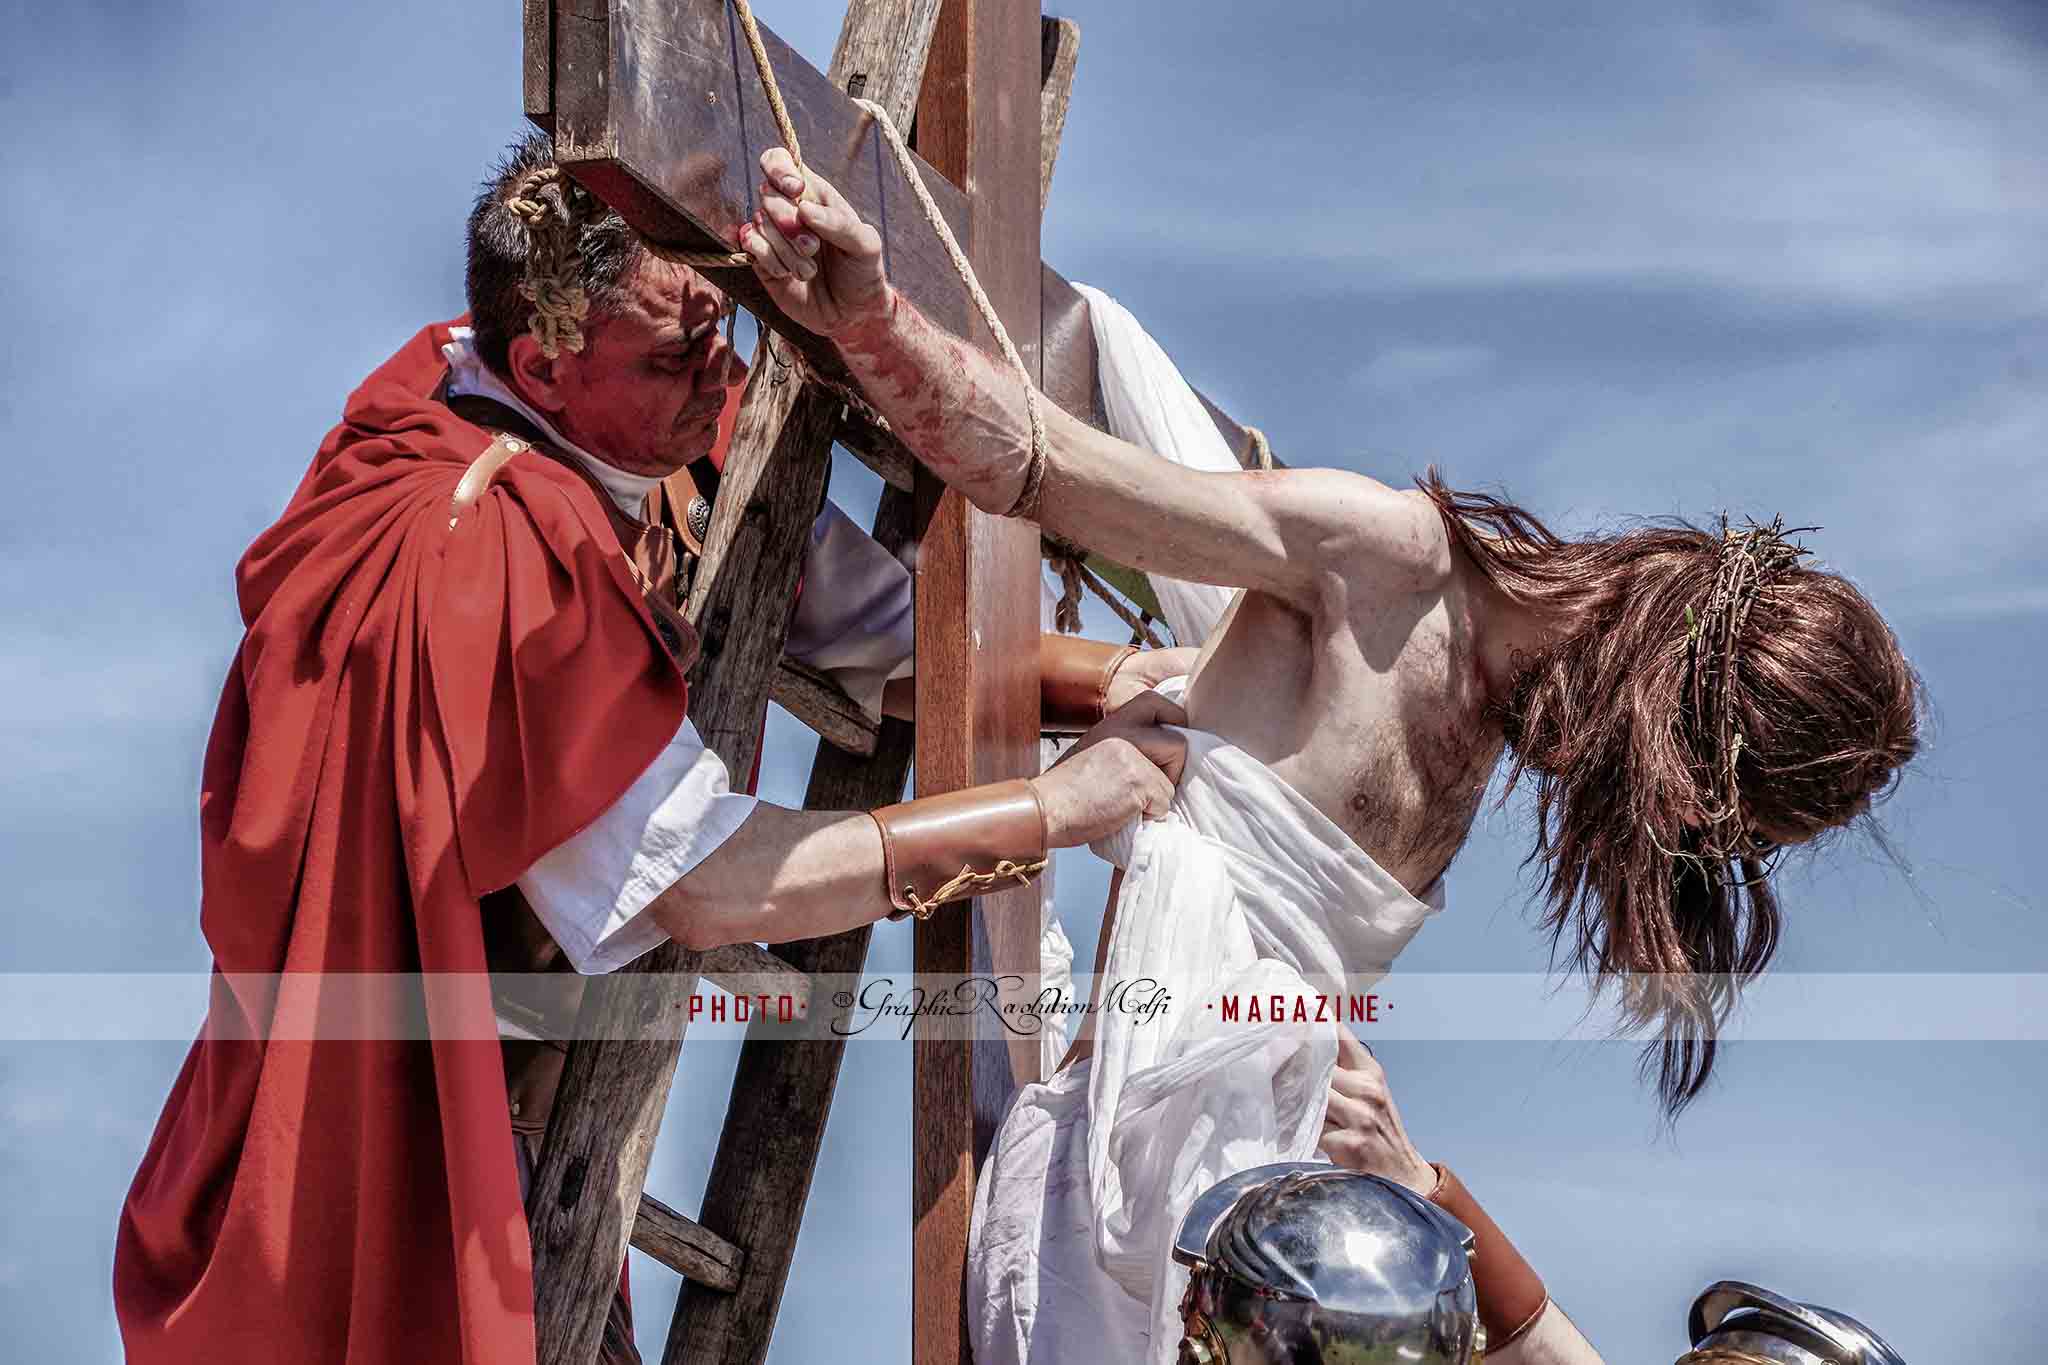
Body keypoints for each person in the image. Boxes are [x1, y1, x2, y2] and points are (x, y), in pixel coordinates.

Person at [732, 144, 1921, 1364]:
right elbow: (1044, 467)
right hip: (1117, 1217)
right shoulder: (1382, 564)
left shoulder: (1492, 725)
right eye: (1689, 813)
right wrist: (871, 319)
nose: (1656, 840)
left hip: (1282, 1227)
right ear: (1669, 699)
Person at [111, 132, 1191, 1365]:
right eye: (677, 355)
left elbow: (875, 635)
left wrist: (1128, 683)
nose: (715, 372)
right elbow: (709, 883)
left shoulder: (648, 433)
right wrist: (1050, 812)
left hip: (520, 1160)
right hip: (384, 1182)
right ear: (541, 364)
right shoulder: (479, 554)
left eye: (716, 337)